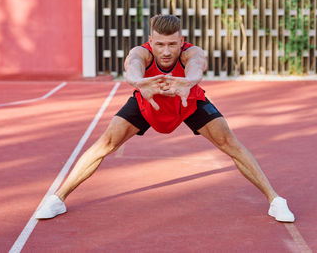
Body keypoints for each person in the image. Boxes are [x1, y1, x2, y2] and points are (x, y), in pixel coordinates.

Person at [35, 15, 295, 222]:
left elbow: (196, 65)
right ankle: (58, 198)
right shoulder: (142, 52)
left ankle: (275, 200)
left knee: (230, 142)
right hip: (148, 99)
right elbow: (132, 65)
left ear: (181, 40)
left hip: (187, 100)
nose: (166, 51)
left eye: (172, 44)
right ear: (151, 40)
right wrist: (138, 82)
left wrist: (189, 82)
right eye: (160, 44)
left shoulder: (191, 52)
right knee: (105, 143)